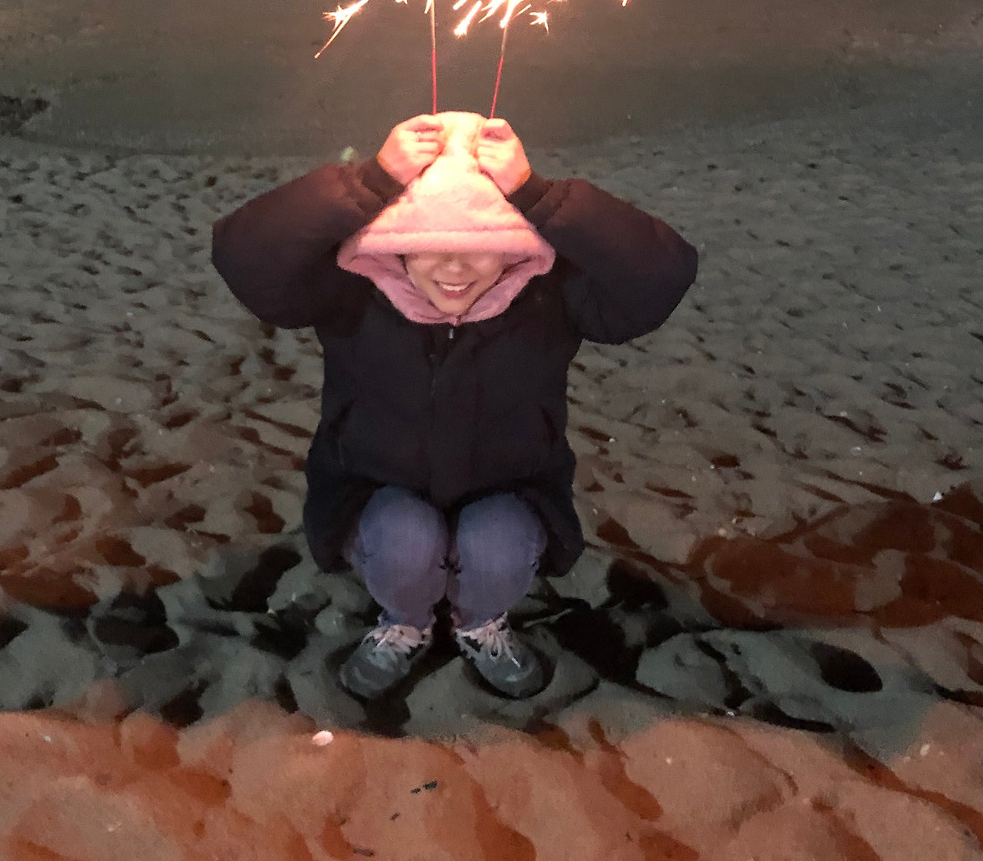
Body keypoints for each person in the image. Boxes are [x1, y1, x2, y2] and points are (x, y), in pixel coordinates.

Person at [211, 109, 698, 701]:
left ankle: (479, 622)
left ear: (514, 248)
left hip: (511, 488)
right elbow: (243, 253)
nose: (454, 268)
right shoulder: (351, 290)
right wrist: (369, 182)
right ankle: (406, 622)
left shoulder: (547, 296)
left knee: (496, 541)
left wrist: (541, 197)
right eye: (428, 245)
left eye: (480, 246)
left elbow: (662, 274)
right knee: (405, 538)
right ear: (394, 247)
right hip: (373, 487)